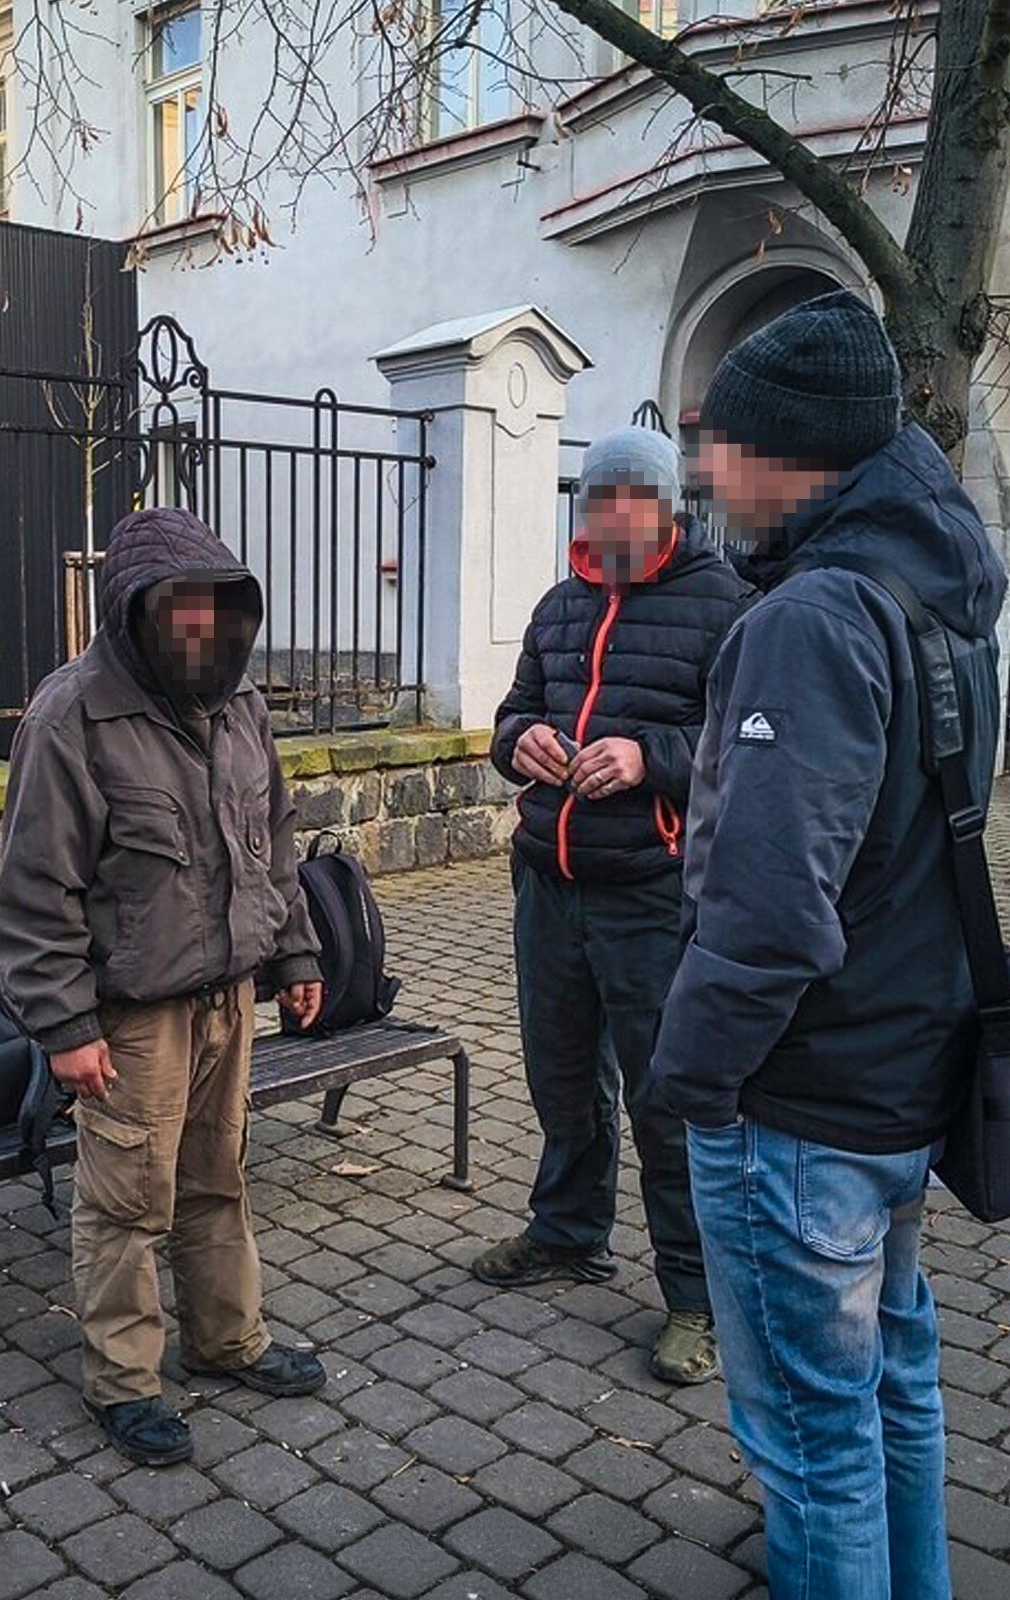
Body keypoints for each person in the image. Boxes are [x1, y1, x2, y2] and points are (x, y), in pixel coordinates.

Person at [651, 290, 1007, 1599]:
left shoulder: (809, 619)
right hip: (903, 1076)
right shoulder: (945, 599)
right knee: (895, 1383)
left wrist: (691, 1078)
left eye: (719, 444)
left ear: (787, 454)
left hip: (801, 1105)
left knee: (813, 1446)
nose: (704, 473)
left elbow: (766, 910)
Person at [0, 506, 326, 1468]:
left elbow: (274, 841)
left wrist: (297, 957)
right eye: (181, 608)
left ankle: (229, 1341)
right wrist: (65, 1026)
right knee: (127, 1206)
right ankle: (125, 1384)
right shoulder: (71, 715)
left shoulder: (243, 704)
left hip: (229, 996)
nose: (201, 628)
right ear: (135, 611)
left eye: (218, 608)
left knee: (217, 1180)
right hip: (130, 1019)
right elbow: (35, 891)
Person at [478, 427, 753, 1384]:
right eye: (605, 500)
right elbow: (511, 716)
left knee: (665, 1100)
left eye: (639, 500)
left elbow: (741, 741)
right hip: (548, 882)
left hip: (651, 892)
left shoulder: (727, 605)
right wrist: (519, 743)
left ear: (669, 506)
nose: (619, 517)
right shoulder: (559, 605)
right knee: (561, 1080)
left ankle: (696, 1298)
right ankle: (566, 1232)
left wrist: (649, 757)